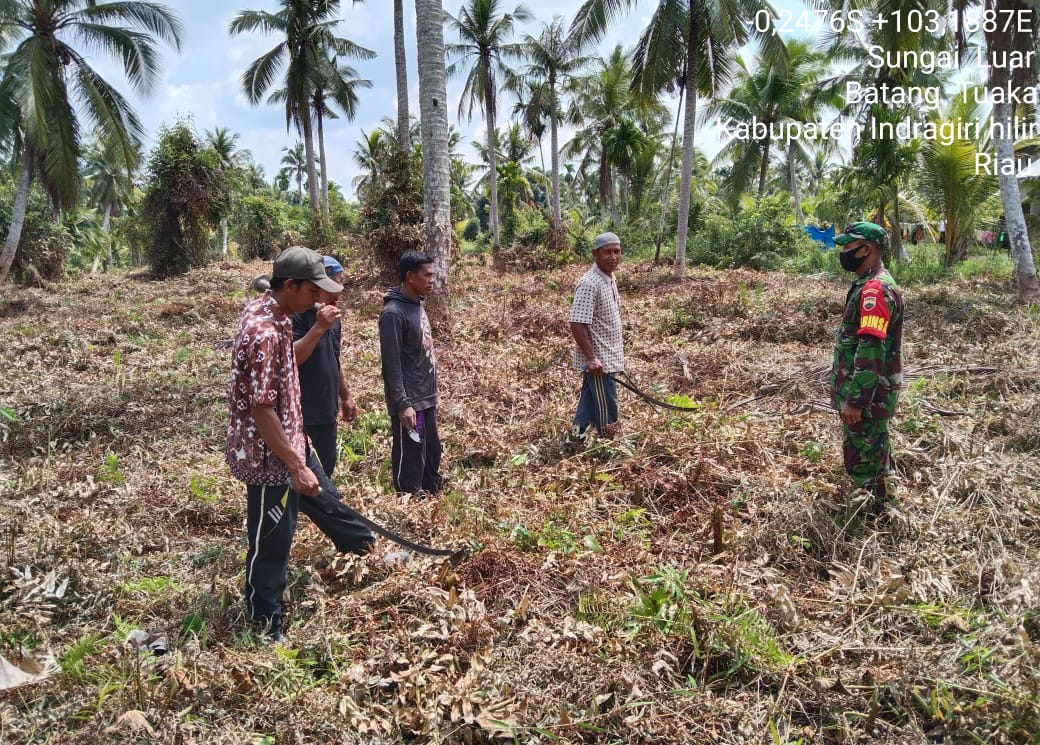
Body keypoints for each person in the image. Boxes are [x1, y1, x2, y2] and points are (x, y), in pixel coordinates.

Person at [227, 246, 375, 643]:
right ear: (289, 285)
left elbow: (284, 388)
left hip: (294, 440)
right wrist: (295, 465)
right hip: (270, 458)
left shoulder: (275, 315)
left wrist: (301, 449)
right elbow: (262, 411)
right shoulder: (263, 333)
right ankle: (264, 623)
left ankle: (364, 548)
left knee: (328, 498)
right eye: (312, 292)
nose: (317, 301)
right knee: (272, 539)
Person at [830, 223, 904, 513]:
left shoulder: (875, 290)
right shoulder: (869, 285)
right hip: (870, 395)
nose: (844, 252)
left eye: (848, 246)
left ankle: (873, 518)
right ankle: (878, 507)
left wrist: (856, 400)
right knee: (870, 453)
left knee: (866, 461)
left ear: (866, 249)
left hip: (868, 398)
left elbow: (871, 349)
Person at [378, 251, 442, 495]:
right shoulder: (393, 314)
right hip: (411, 402)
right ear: (409, 277)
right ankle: (408, 500)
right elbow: (391, 364)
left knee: (432, 450)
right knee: (411, 455)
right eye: (427, 275)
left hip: (426, 396)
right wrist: (403, 404)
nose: (432, 280)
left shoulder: (417, 304)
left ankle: (430, 496)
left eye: (432, 275)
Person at [292, 256, 357, 477]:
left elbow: (334, 358)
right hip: (301, 411)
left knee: (325, 469)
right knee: (303, 474)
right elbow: (290, 358)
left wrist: (345, 396)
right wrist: (319, 327)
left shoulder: (333, 317)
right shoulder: (296, 315)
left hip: (327, 410)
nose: (341, 287)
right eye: (338, 280)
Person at [568, 232, 624, 436]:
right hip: (600, 362)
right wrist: (591, 358)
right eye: (607, 252)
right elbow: (576, 322)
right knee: (606, 408)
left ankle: (575, 439)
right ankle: (610, 444)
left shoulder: (609, 278)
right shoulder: (589, 283)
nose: (613, 257)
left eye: (616, 252)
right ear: (595, 254)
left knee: (590, 401)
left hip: (609, 357)